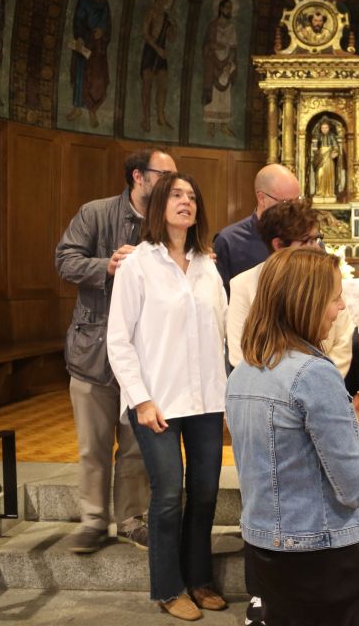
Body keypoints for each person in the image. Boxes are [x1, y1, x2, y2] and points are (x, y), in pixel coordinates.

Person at [227, 247, 359, 626]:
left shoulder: (244, 371)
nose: (339, 309)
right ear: (308, 302)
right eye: (334, 298)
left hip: (265, 551)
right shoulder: (313, 375)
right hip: (323, 558)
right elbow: (353, 487)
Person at [107, 172, 228, 621]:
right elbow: (118, 339)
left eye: (192, 197)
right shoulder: (139, 264)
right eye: (176, 195)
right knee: (168, 496)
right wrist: (140, 399)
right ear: (159, 205)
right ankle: (167, 587)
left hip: (206, 401)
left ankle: (198, 579)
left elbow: (222, 333)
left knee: (205, 492)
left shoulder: (207, 265)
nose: (186, 202)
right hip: (156, 401)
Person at [55, 148, 176, 555]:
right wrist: (107, 266)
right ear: (138, 176)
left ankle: (130, 519)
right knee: (93, 445)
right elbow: (65, 260)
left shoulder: (169, 223)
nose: (174, 185)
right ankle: (92, 520)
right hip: (93, 352)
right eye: (165, 174)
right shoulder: (95, 213)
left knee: (137, 446)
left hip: (146, 359)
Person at [227, 202, 352, 374]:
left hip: (322, 381)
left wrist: (319, 379)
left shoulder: (329, 279)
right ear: (278, 245)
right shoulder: (243, 284)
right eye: (307, 241)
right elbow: (240, 355)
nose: (317, 248)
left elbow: (342, 342)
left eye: (317, 239)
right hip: (268, 391)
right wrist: (288, 387)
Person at [213, 163, 300, 295]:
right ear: (262, 199)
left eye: (298, 201)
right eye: (286, 203)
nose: (295, 210)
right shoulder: (229, 241)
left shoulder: (305, 236)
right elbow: (222, 300)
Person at [66, 0, 111, 127]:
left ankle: (92, 110)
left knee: (97, 78)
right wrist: (79, 36)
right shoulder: (84, 0)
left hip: (98, 46)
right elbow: (78, 20)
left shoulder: (104, 4)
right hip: (85, 40)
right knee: (81, 74)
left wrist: (102, 31)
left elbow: (107, 24)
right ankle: (77, 107)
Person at [140, 0, 176, 132]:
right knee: (147, 86)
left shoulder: (167, 17)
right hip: (151, 50)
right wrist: (157, 49)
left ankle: (161, 116)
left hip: (162, 53)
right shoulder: (151, 13)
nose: (164, 2)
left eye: (167, 0)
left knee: (163, 85)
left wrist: (175, 26)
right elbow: (145, 34)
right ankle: (146, 118)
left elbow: (172, 39)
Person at [201, 0, 238, 138]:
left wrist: (229, 62)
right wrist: (213, 46)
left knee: (225, 94)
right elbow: (205, 46)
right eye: (227, 7)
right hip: (212, 62)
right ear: (221, 9)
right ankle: (211, 125)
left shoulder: (231, 27)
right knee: (213, 92)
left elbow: (234, 47)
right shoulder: (212, 26)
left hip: (226, 63)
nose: (229, 10)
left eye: (231, 8)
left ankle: (224, 126)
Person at [312, 119, 341, 199]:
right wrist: (317, 152)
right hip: (321, 157)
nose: (324, 129)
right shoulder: (318, 136)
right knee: (320, 174)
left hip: (329, 157)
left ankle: (329, 192)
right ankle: (320, 192)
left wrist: (334, 152)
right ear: (320, 129)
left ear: (329, 128)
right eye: (323, 128)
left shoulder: (332, 136)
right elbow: (315, 147)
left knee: (328, 174)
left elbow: (336, 147)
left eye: (326, 128)